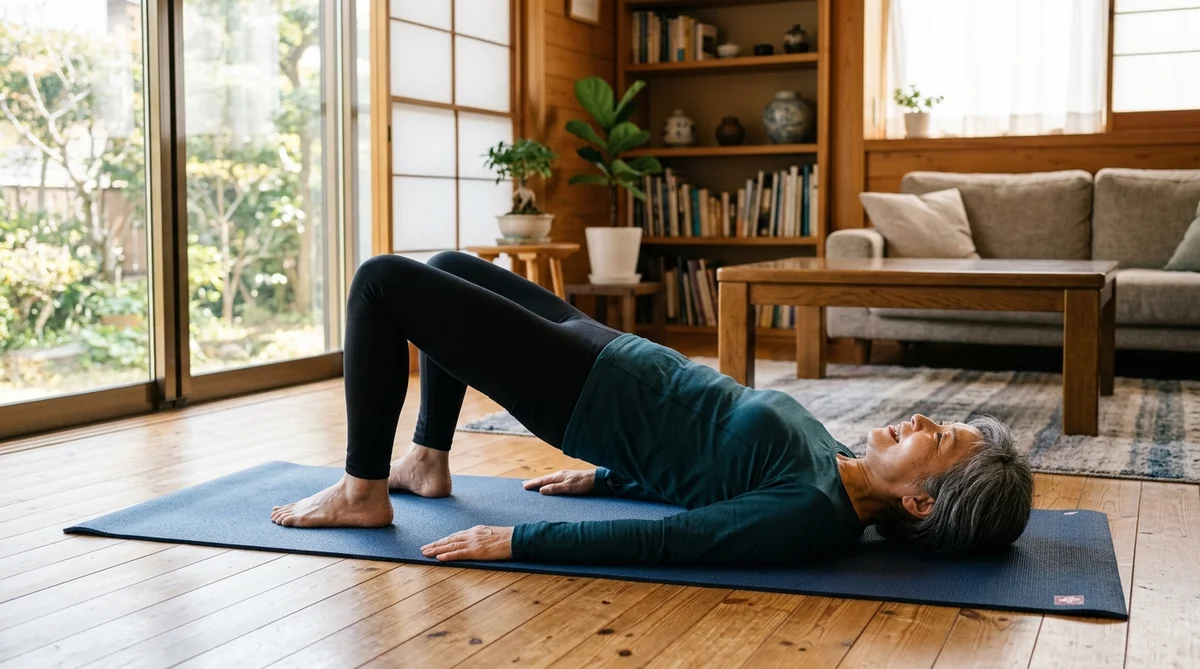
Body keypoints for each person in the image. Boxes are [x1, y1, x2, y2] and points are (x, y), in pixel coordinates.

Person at [270, 251, 1034, 564]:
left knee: (382, 282)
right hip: (614, 353)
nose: (923, 421)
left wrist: (519, 540)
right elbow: (714, 476)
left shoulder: (810, 513)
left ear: (920, 501)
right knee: (445, 269)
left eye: (938, 439)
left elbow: (685, 538)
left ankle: (363, 489)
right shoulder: (838, 460)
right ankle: (426, 459)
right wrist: (608, 481)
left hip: (579, 391)